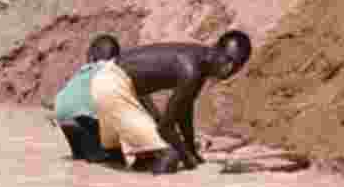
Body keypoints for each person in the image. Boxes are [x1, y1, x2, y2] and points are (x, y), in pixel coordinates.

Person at [89, 30, 251, 174]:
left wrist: (192, 151)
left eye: (236, 65)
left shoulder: (200, 64)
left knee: (148, 156)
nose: (228, 69)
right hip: (111, 84)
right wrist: (189, 162)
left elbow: (184, 111)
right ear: (216, 48)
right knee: (170, 157)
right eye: (227, 60)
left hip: (115, 86)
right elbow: (166, 127)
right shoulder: (191, 71)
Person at [53, 34, 123, 163]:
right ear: (117, 58)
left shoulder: (83, 70)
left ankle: (82, 153)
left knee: (80, 157)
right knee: (108, 159)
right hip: (83, 118)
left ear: (91, 56)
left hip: (62, 117)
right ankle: (95, 155)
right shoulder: (112, 69)